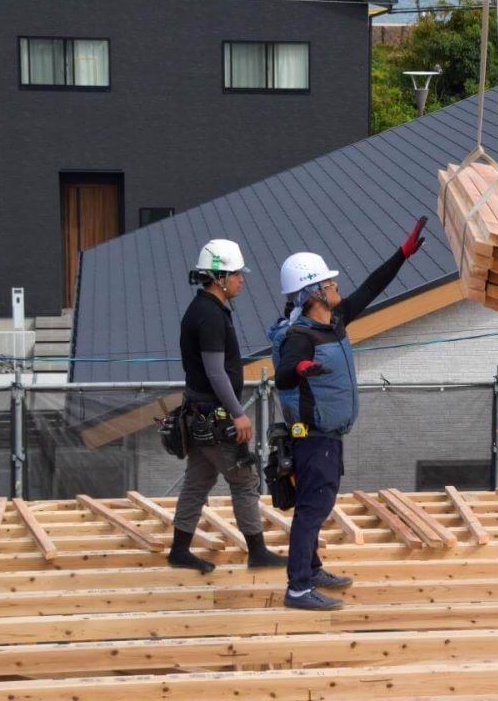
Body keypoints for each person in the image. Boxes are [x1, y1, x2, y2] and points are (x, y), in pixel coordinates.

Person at [269, 217, 428, 611]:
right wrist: (301, 369)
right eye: (328, 283)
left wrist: (402, 255)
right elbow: (284, 371)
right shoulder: (301, 337)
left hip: (329, 434)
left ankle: (311, 567)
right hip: (313, 435)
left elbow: (372, 287)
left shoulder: (334, 322)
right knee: (313, 507)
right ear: (312, 294)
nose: (336, 286)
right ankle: (298, 588)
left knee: (319, 501)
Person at [168, 239, 287, 574]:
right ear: (219, 277)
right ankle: (258, 552)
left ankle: (179, 550)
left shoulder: (204, 309)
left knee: (197, 480)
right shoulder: (209, 316)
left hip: (199, 415)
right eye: (236, 273)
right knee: (244, 480)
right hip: (215, 418)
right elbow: (215, 371)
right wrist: (237, 412)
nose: (241, 279)